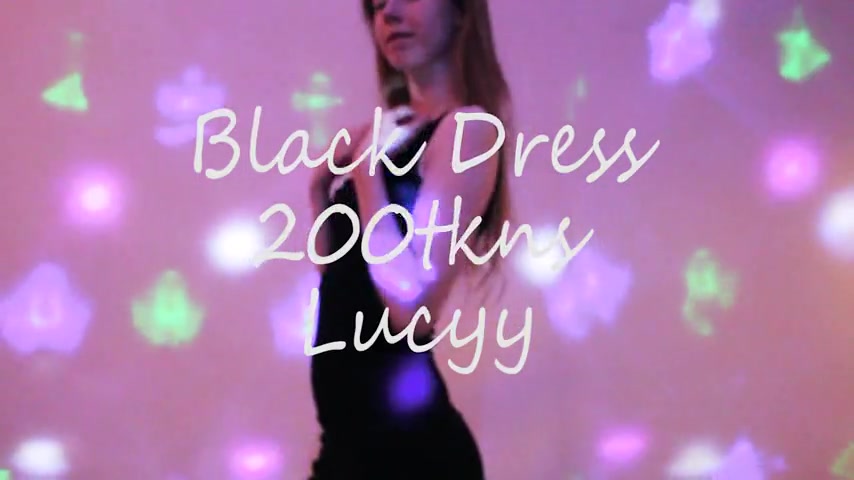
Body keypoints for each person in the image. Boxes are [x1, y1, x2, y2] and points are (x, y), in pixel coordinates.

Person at [306, 0, 513, 478]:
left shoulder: (467, 131)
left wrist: (366, 173)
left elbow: (410, 309)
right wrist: (318, 191)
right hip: (349, 446)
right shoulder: (389, 133)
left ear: (460, 12)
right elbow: (343, 279)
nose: (390, 13)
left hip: (409, 455)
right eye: (377, 5)